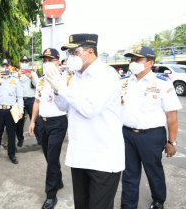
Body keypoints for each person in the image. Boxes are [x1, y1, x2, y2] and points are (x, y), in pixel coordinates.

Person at [45, 34, 125, 209]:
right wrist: (56, 88)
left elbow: (90, 109)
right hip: (80, 156)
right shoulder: (76, 77)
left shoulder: (106, 74)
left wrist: (62, 87)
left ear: (90, 51)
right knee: (81, 205)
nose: (71, 57)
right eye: (69, 53)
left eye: (75, 52)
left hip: (102, 158)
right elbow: (63, 106)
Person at [120, 46, 182, 209]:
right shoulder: (124, 82)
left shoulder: (162, 83)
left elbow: (172, 116)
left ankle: (158, 199)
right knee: (128, 173)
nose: (133, 63)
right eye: (132, 60)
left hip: (151, 136)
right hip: (126, 134)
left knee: (153, 170)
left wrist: (172, 142)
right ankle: (128, 205)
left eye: (138, 60)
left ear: (150, 63)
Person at [28, 48, 68, 209]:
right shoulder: (41, 80)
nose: (46, 63)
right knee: (49, 156)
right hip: (42, 124)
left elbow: (68, 103)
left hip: (58, 123)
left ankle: (51, 195)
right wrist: (32, 121)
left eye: (50, 59)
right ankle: (57, 180)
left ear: (58, 61)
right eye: (44, 60)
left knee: (52, 158)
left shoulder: (65, 79)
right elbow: (37, 101)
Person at [0, 58, 23, 164]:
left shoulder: (15, 80)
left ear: (10, 67)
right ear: (0, 67)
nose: (5, 68)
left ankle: (11, 154)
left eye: (7, 66)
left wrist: (20, 110)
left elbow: (20, 97)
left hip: (12, 110)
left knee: (11, 133)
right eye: (3, 66)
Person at [15, 55, 38, 147]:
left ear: (28, 63)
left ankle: (40, 139)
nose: (24, 63)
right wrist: (17, 77)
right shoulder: (16, 74)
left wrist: (31, 77)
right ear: (20, 63)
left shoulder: (33, 73)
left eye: (26, 62)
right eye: (22, 62)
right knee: (18, 122)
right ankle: (20, 139)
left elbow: (38, 85)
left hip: (30, 99)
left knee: (36, 120)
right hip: (18, 100)